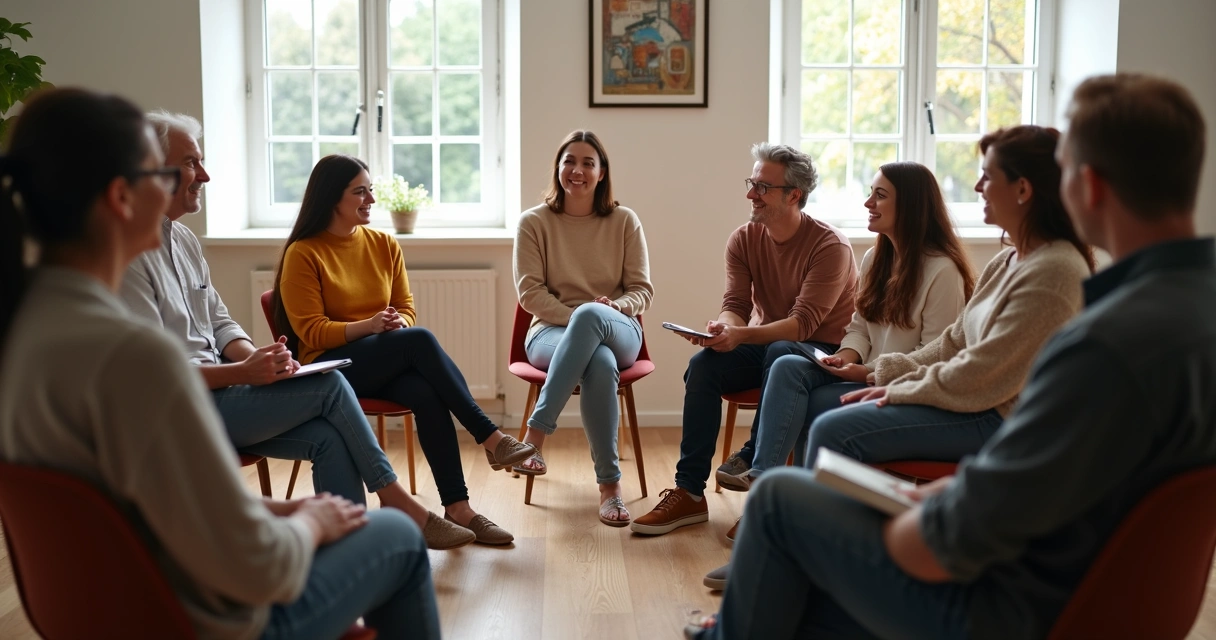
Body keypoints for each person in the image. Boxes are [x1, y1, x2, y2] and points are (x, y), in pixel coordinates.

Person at [685, 72, 1216, 640]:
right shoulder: (1187, 310)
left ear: (1088, 185)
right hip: (1081, 587)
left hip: (1009, 605)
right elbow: (1042, 468)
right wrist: (933, 488)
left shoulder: (1105, 342)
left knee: (781, 504)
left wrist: (892, 512)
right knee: (793, 591)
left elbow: (942, 547)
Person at [0, 87, 440, 640]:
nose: (201, 178)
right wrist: (310, 522)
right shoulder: (136, 357)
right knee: (397, 538)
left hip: (111, 612)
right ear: (121, 197)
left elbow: (151, 508)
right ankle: (395, 505)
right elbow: (259, 569)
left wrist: (287, 514)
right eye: (169, 172)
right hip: (202, 621)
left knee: (334, 459)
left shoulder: (29, 326)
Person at [120, 112, 475, 550]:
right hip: (183, 411)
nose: (205, 175)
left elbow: (219, 321)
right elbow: (154, 375)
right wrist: (241, 374)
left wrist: (255, 356)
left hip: (224, 396)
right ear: (149, 169)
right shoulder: (127, 255)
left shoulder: (186, 241)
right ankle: (397, 499)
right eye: (193, 162)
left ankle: (356, 552)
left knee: (332, 439)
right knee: (330, 387)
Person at [274, 154, 535, 546]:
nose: (371, 200)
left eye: (371, 190)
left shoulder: (383, 244)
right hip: (329, 367)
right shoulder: (304, 253)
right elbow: (311, 332)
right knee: (421, 341)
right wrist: (372, 326)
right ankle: (490, 437)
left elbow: (407, 308)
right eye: (360, 192)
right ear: (332, 198)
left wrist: (396, 324)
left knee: (424, 390)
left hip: (381, 356)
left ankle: (459, 508)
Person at [800, 125, 1095, 468]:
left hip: (999, 419)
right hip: (972, 404)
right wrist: (884, 372)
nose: (977, 188)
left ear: (1023, 189)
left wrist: (897, 389)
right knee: (820, 407)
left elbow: (984, 372)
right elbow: (953, 343)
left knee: (835, 430)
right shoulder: (1006, 260)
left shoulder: (1055, 271)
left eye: (987, 177)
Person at [631, 143, 859, 536]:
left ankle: (755, 461)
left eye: (762, 187)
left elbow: (803, 325)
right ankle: (689, 494)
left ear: (794, 195)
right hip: (768, 342)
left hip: (825, 352)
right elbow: (735, 303)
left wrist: (741, 334)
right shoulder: (743, 239)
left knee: (782, 348)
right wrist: (724, 328)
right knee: (703, 367)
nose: (751, 194)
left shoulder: (829, 246)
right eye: (751, 183)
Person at [719, 161, 973, 493]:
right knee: (786, 365)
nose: (868, 203)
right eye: (870, 194)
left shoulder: (942, 271)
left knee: (804, 400)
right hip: (863, 370)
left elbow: (932, 358)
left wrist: (865, 370)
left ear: (910, 206)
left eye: (879, 196)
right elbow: (859, 328)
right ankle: (765, 479)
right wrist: (846, 356)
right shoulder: (875, 260)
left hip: (897, 388)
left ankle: (796, 498)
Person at [512, 130, 654, 527]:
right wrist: (578, 319)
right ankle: (610, 489)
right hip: (549, 334)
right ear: (558, 169)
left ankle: (534, 439)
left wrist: (614, 308)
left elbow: (641, 290)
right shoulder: (533, 223)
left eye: (588, 162)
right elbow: (530, 294)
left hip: (617, 326)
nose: (577, 170)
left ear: (602, 172)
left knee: (593, 319)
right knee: (598, 359)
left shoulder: (624, 221)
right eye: (569, 161)